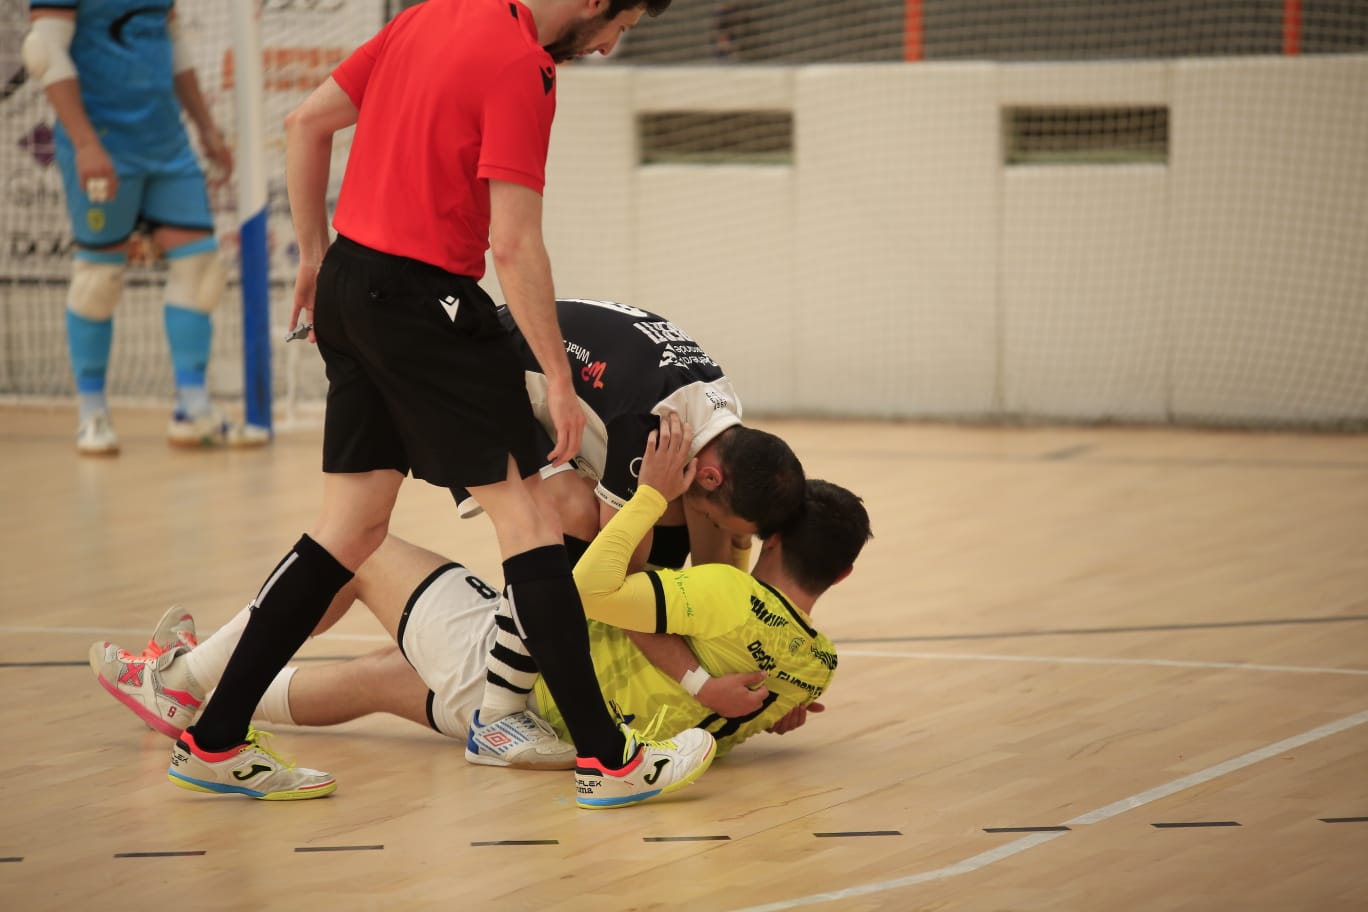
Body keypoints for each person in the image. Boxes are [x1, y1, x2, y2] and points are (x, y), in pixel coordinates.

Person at [160, 0, 706, 810]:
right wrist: (557, 376)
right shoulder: (526, 65)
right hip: (429, 305)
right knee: (528, 521)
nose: (606, 48)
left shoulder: (429, 14)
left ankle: (213, 737)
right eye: (618, 29)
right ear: (595, 2)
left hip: (351, 285)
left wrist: (314, 256)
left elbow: (308, 123)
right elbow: (514, 243)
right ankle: (611, 759)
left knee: (349, 529)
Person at [89, 417, 872, 770]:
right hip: (552, 714)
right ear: (840, 577)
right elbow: (755, 704)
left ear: (769, 540)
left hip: (535, 683)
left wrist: (643, 500)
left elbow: (594, 586)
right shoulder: (818, 667)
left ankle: (182, 682)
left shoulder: (722, 594)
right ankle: (193, 697)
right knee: (374, 679)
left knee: (360, 546)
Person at [452, 297, 807, 744]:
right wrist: (699, 682)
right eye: (731, 526)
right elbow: (618, 586)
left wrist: (745, 674)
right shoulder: (651, 428)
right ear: (713, 476)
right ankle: (497, 717)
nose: (724, 531)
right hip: (471, 371)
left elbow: (712, 578)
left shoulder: (722, 416)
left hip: (529, 360)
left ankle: (558, 652)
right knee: (578, 520)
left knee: (665, 528)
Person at [21, 2, 268, 454]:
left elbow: (174, 48)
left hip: (167, 143)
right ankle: (91, 413)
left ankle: (193, 410)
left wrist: (207, 128)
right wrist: (85, 144)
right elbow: (44, 51)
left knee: (200, 271)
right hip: (102, 142)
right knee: (99, 278)